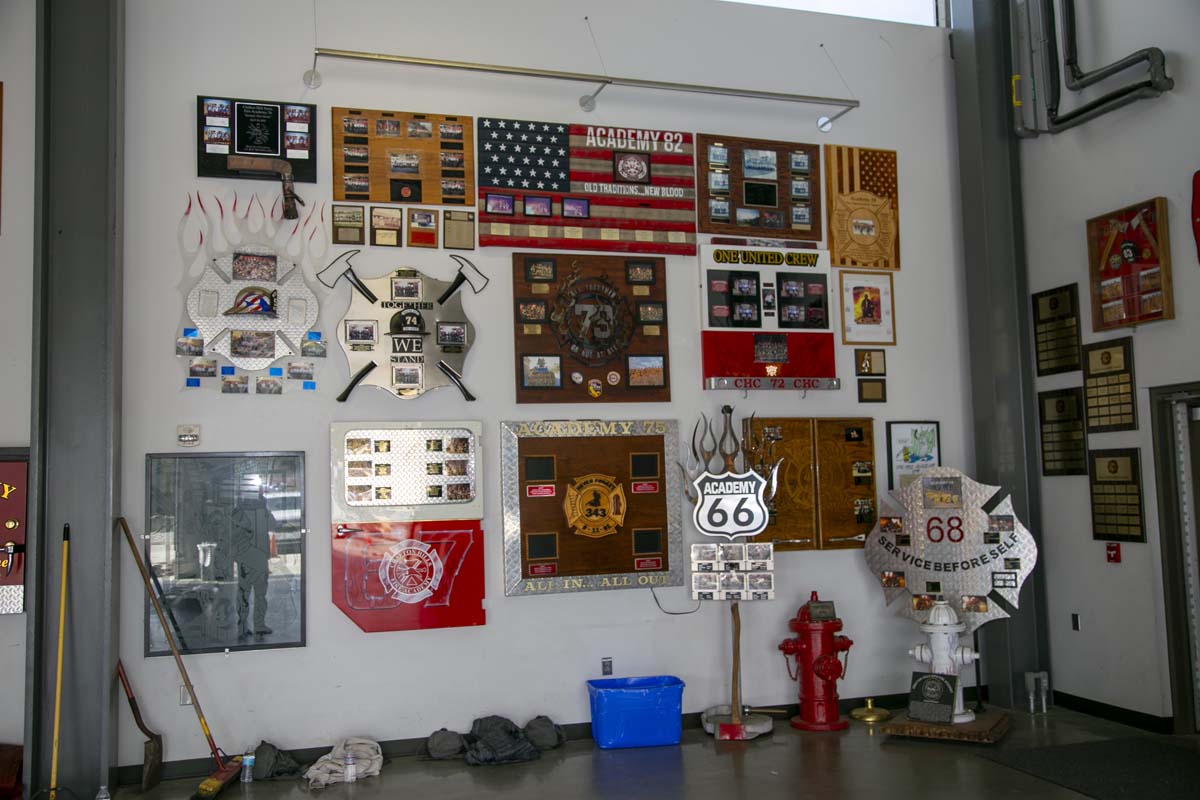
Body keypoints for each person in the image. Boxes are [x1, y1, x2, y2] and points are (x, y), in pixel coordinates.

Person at [230, 483, 273, 637]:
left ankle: (252, 626)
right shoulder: (242, 512)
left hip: (254, 559)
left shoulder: (246, 511)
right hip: (250, 558)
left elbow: (272, 524)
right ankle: (250, 626)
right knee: (248, 594)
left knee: (252, 594)